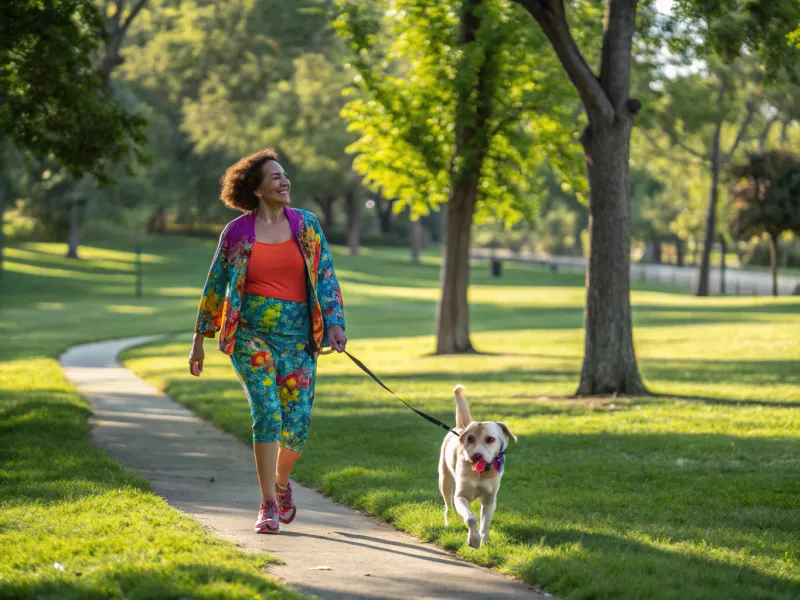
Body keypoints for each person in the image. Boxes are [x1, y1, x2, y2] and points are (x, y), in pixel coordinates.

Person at [189, 148, 346, 534]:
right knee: (268, 413)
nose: (284, 181)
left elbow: (325, 276)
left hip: (298, 339)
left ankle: (280, 483)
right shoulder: (237, 232)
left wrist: (335, 323)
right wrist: (199, 339)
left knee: (296, 427)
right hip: (249, 335)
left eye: (285, 175)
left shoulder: (306, 225)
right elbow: (215, 285)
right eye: (275, 177)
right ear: (256, 189)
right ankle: (268, 504)